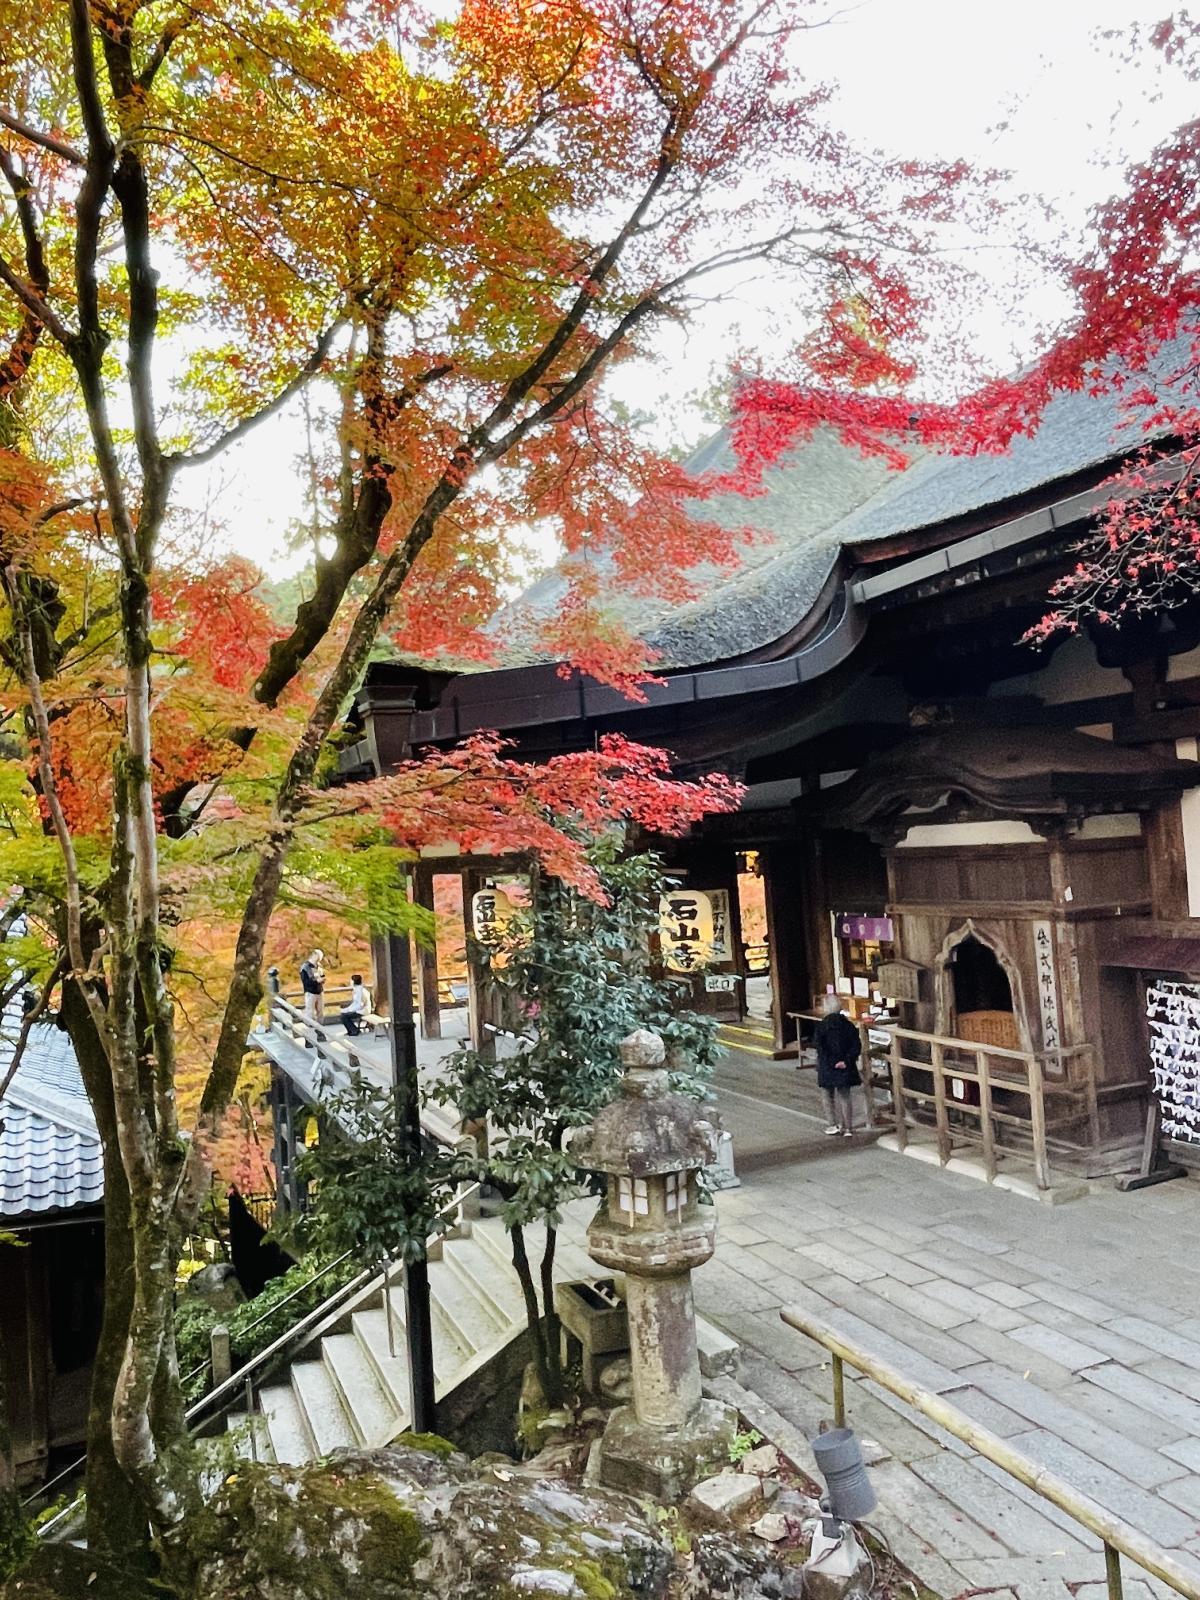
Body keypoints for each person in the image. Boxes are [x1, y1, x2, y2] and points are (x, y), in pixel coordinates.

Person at [813, 993, 861, 1138]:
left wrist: (832, 1062)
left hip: (828, 1066)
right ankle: (848, 1128)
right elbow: (856, 1046)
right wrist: (845, 1061)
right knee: (845, 1096)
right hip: (846, 1066)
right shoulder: (848, 1026)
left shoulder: (821, 1026)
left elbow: (820, 1048)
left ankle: (832, 1125)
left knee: (827, 1095)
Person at [299, 948, 325, 1022]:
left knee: (320, 1011)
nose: (319, 959)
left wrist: (322, 979)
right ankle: (309, 1028)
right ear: (314, 955)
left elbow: (322, 975)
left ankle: (320, 1028)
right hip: (310, 992)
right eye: (318, 957)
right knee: (310, 1012)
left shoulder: (319, 966)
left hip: (319, 991)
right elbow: (305, 982)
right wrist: (316, 981)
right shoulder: (305, 967)